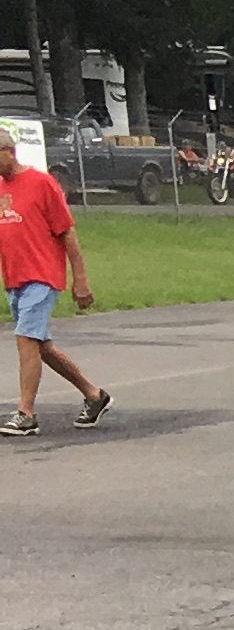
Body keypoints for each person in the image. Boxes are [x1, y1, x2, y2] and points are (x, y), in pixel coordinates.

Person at [0, 118, 109, 437]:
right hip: (15, 278)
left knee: (25, 339)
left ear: (9, 151)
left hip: (42, 275)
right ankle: (93, 395)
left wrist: (81, 279)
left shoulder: (41, 183)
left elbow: (67, 232)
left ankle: (26, 413)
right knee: (40, 346)